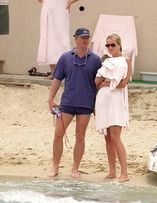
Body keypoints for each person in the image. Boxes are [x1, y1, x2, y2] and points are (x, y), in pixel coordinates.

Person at [48, 27, 102, 178]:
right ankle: (55, 166)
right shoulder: (65, 57)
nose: (85, 40)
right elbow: (57, 79)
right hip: (67, 103)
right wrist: (50, 99)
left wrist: (97, 105)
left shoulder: (96, 59)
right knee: (58, 134)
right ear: (75, 39)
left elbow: (98, 84)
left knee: (80, 136)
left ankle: (75, 168)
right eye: (82, 37)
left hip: (86, 104)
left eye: (87, 37)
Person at [95, 34, 132, 182]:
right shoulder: (107, 62)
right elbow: (96, 80)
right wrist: (108, 82)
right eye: (108, 45)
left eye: (113, 45)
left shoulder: (126, 61)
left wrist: (107, 81)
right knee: (108, 138)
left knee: (116, 137)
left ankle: (124, 173)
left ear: (119, 45)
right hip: (104, 100)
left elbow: (122, 83)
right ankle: (112, 171)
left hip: (116, 102)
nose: (110, 48)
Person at [37, 0, 79, 79]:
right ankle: (54, 72)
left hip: (60, 9)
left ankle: (66, 71)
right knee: (48, 40)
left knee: (62, 38)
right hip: (47, 9)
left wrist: (69, 2)